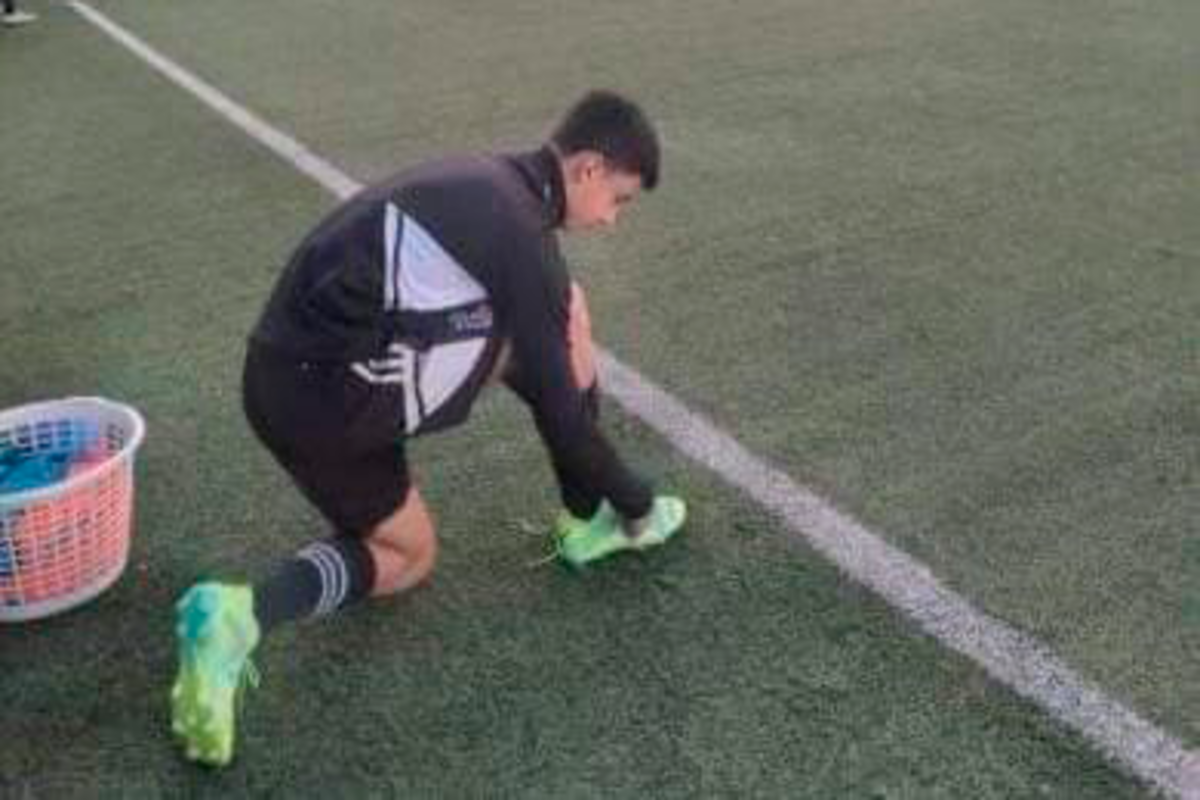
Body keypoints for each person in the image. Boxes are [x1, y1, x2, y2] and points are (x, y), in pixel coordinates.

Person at [171, 89, 687, 767]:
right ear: (587, 168)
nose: (613, 219)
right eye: (618, 199)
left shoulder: (488, 181)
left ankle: (242, 614)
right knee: (562, 325)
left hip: (281, 378)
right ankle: (597, 519)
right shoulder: (522, 238)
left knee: (410, 549)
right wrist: (638, 503)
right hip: (329, 392)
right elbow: (562, 413)